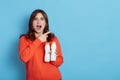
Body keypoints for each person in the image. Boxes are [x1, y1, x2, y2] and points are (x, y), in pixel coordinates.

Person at [18, 9, 63, 80]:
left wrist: (53, 57)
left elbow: (59, 62)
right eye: (35, 19)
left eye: (42, 19)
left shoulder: (52, 38)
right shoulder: (24, 39)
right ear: (31, 23)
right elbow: (24, 58)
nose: (38, 22)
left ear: (45, 23)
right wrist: (39, 40)